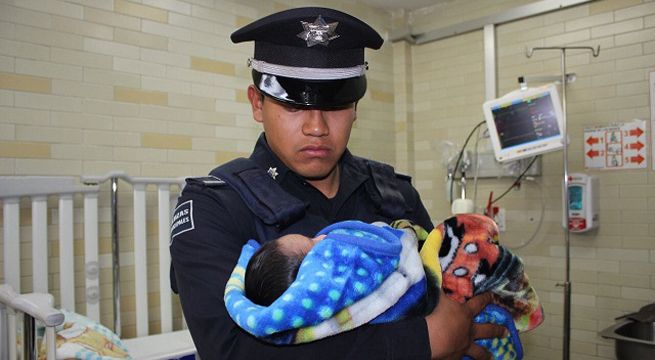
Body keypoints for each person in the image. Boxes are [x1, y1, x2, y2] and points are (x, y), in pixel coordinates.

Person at [169, 6, 506, 360]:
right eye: (293, 105)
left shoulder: (394, 194)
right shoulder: (216, 206)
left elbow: (448, 294)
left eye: (336, 104)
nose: (317, 127)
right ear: (257, 103)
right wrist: (421, 341)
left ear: (356, 106)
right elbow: (232, 350)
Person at [226, 215, 542, 358]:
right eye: (313, 246)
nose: (322, 238)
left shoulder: (385, 182)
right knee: (459, 232)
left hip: (464, 318)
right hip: (449, 314)